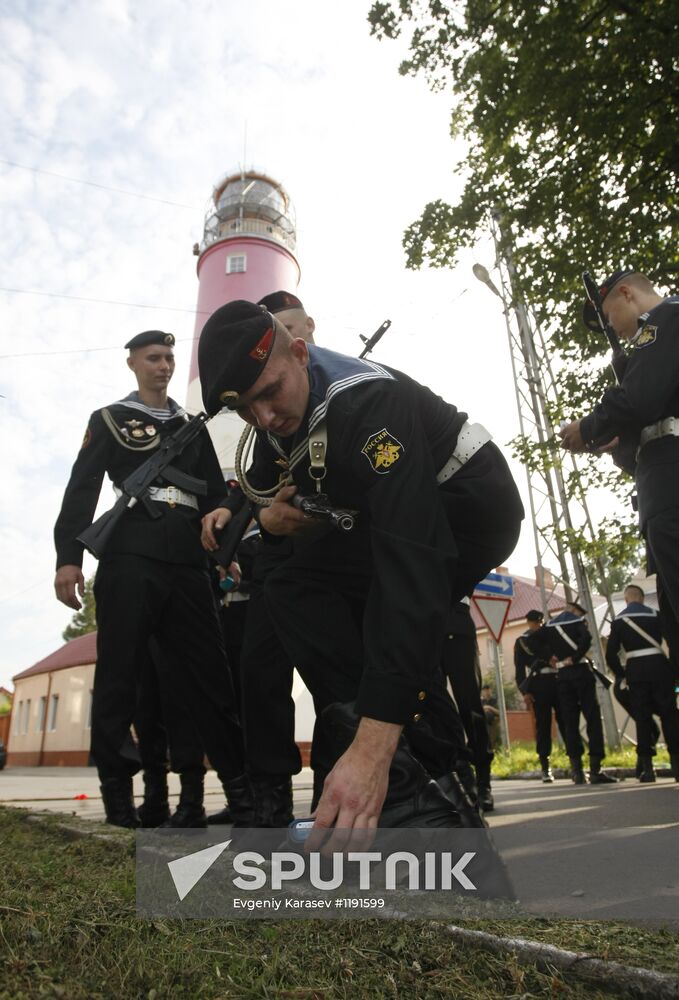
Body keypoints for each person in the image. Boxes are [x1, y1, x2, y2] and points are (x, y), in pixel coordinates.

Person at [197, 300, 524, 843]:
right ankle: (411, 782)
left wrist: (374, 744)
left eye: (270, 393)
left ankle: (415, 789)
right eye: (247, 410)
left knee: (392, 610)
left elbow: (412, 564)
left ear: (300, 354)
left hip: (466, 504)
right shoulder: (276, 414)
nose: (265, 418)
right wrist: (270, 522)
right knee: (286, 579)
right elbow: (260, 491)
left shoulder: (367, 404)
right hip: (382, 520)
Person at [53, 330, 251, 828]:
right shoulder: (110, 419)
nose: (164, 366)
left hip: (187, 559)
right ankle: (118, 799)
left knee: (211, 676)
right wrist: (68, 557)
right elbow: (82, 490)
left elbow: (213, 495)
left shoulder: (192, 425)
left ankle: (240, 791)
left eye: (169, 358)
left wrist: (224, 553)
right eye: (154, 358)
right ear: (133, 364)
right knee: (121, 676)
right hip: (131, 554)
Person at [560, 270, 679, 673]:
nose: (613, 329)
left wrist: (589, 426)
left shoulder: (664, 321)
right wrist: (621, 444)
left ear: (626, 293)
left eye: (609, 317)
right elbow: (652, 414)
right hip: (662, 480)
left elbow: (639, 397)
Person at [605, 584, 679, 782]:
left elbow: (610, 654)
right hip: (661, 668)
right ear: (642, 598)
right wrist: (674, 670)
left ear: (627, 599)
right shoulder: (656, 615)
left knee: (643, 718)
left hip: (636, 672)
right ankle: (677, 765)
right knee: (670, 716)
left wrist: (622, 675)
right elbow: (673, 642)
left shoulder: (619, 620)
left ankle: (648, 769)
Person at [538, 602, 617, 785]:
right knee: (593, 719)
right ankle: (596, 769)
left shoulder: (550, 627)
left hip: (563, 677)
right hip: (581, 672)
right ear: (574, 612)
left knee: (570, 723)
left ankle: (577, 771)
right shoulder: (576, 622)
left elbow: (533, 641)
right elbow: (587, 638)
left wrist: (549, 656)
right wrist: (574, 657)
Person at [441, 599, 496, 811]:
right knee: (434, 707)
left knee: (470, 708)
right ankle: (457, 776)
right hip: (424, 630)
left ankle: (483, 784)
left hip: (457, 627)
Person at [514, 609, 563, 782]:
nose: (538, 625)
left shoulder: (550, 636)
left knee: (566, 721)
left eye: (540, 622)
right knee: (543, 726)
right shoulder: (522, 641)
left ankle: (576, 764)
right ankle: (545, 766)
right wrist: (525, 692)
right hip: (538, 684)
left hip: (557, 680)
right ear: (529, 622)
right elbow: (520, 670)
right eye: (535, 622)